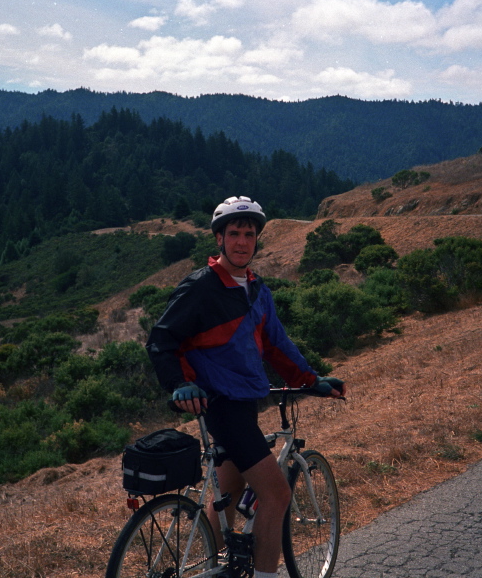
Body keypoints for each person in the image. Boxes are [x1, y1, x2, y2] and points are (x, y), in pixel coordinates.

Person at [146, 196, 346, 578]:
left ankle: (210, 564)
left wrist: (311, 380)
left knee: (230, 492)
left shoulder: (257, 290)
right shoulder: (202, 288)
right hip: (222, 407)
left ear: (257, 240)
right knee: (277, 494)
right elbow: (161, 340)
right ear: (218, 239)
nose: (241, 241)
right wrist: (179, 384)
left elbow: (276, 345)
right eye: (233, 234)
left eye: (249, 234)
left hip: (242, 406)